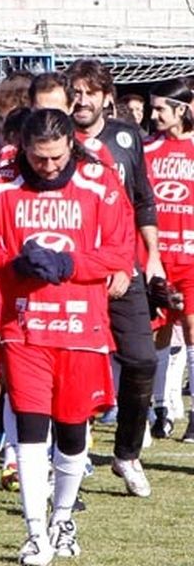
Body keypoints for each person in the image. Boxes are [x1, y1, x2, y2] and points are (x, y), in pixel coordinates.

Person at [0, 109, 132, 565]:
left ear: (70, 146)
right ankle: (35, 531)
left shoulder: (98, 181)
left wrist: (71, 266)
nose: (48, 167)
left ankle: (63, 517)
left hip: (82, 326)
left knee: (71, 430)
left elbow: (120, 251)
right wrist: (13, 264)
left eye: (56, 158)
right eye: (38, 158)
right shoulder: (1, 183)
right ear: (23, 147)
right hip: (24, 327)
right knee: (29, 427)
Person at [66, 59, 160, 498]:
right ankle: (67, 456)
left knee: (142, 359)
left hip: (126, 267)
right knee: (77, 365)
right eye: (75, 92)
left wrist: (152, 256)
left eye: (89, 92)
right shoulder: (56, 139)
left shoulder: (126, 138)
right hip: (76, 273)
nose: (80, 100)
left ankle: (126, 454)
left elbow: (142, 199)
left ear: (107, 97)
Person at [143, 78, 194, 444]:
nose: (154, 114)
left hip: (191, 257)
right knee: (155, 334)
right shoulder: (146, 149)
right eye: (153, 107)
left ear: (182, 108)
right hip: (156, 260)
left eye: (161, 108)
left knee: (192, 331)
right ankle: (158, 408)